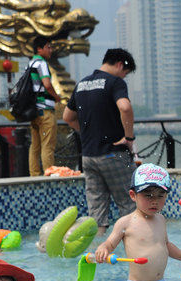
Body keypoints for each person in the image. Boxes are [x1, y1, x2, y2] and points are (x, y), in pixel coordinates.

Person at [63, 48, 138, 236]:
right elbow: (125, 107)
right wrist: (128, 138)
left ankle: (98, 255)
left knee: (96, 213)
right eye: (125, 73)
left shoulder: (82, 84)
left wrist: (89, 132)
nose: (124, 76)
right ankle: (134, 249)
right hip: (113, 153)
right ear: (120, 65)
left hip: (88, 156)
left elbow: (67, 117)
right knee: (130, 205)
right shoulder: (115, 82)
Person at [28, 37, 61, 177]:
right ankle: (49, 177)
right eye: (48, 47)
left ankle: (34, 176)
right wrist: (56, 97)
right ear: (39, 49)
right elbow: (47, 84)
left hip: (34, 111)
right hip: (45, 110)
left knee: (35, 146)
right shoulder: (41, 63)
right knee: (48, 145)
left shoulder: (30, 64)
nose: (50, 50)